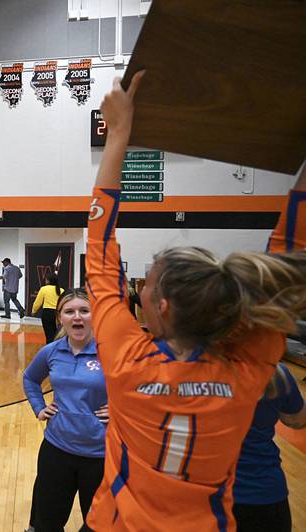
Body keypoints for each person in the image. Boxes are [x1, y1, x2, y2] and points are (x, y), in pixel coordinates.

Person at [84, 72, 306, 531]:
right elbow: (292, 251)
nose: (139, 289)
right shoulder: (244, 370)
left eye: (146, 284)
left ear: (161, 306)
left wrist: (118, 133)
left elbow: (100, 252)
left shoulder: (128, 361)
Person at [22, 288, 107, 532]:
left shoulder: (110, 352)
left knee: (98, 526)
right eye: (69, 311)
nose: (77, 317)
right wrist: (39, 408)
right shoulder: (52, 351)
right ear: (60, 318)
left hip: (101, 455)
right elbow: (30, 378)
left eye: (84, 311)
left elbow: (139, 388)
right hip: (56, 450)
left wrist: (122, 409)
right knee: (47, 523)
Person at [233, 364, 306, 532]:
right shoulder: (274, 372)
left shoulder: (177, 367)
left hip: (201, 495)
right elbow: (297, 421)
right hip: (260, 492)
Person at [31, 273, 64, 343]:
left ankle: (49, 350)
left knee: (49, 334)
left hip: (47, 313)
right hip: (58, 314)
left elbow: (38, 302)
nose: (45, 281)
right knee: (58, 334)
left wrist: (34, 311)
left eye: (46, 280)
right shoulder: (61, 290)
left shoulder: (44, 289)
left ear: (48, 281)